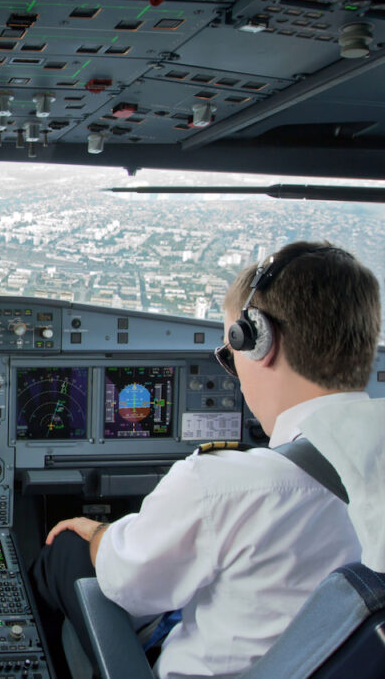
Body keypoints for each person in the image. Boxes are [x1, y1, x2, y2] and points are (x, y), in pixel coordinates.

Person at [30, 241, 381, 678]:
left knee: (67, 549)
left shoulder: (226, 484)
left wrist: (99, 534)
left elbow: (127, 582)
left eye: (228, 354)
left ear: (259, 344)